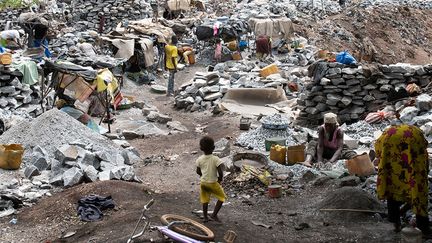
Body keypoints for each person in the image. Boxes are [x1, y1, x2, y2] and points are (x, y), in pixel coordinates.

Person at [375, 123, 430, 235]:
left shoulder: (387, 133)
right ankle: (423, 227)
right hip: (412, 154)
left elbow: (378, 149)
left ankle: (395, 222)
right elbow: (423, 153)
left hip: (392, 158)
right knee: (417, 189)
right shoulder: (417, 134)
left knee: (392, 185)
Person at [196, 136, 226, 223]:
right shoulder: (216, 159)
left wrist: (204, 175)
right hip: (213, 183)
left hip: (204, 183)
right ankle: (214, 215)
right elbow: (220, 172)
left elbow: (198, 171)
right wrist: (220, 180)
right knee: (221, 198)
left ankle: (205, 217)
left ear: (201, 148)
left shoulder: (199, 159)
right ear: (213, 148)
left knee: (205, 200)